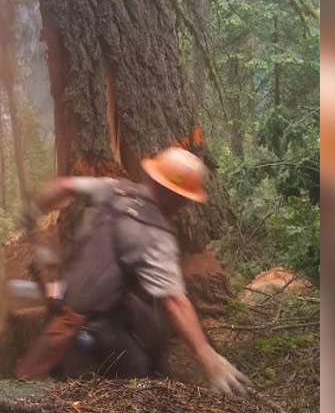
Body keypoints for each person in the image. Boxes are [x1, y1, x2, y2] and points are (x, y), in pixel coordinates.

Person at [13, 146, 252, 397]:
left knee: (156, 333)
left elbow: (63, 186)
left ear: (151, 177)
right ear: (179, 198)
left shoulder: (115, 188)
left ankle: (152, 374)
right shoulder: (154, 235)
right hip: (80, 315)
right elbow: (174, 301)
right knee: (134, 367)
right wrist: (207, 356)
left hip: (107, 297)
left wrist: (33, 213)